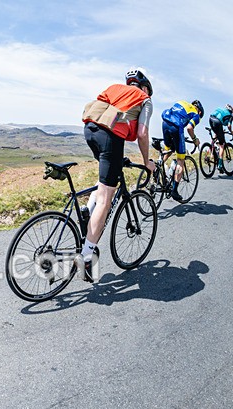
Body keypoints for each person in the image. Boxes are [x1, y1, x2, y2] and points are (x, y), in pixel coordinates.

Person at [80, 68, 156, 282]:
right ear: (144, 88)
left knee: (105, 182)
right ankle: (86, 257)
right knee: (107, 199)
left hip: (90, 130)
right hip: (110, 138)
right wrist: (146, 162)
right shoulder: (145, 98)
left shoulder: (115, 88)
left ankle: (88, 210)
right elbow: (142, 133)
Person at [161, 99, 204, 201]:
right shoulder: (196, 114)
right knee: (181, 159)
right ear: (200, 111)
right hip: (176, 127)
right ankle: (174, 191)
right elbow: (189, 128)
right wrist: (195, 139)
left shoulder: (183, 103)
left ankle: (157, 168)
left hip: (165, 122)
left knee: (168, 150)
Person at [209, 104, 233, 172]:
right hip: (218, 122)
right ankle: (220, 165)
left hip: (211, 119)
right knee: (222, 145)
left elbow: (218, 122)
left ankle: (212, 147)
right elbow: (228, 126)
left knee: (216, 134)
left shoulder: (222, 110)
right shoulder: (230, 115)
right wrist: (231, 132)